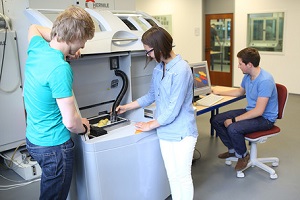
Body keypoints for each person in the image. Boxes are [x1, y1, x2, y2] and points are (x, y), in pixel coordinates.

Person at [116, 26, 198, 200]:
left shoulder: (181, 70)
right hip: (165, 131)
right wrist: (127, 106)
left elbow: (173, 109)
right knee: (172, 176)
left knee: (182, 176)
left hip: (182, 132)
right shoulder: (159, 68)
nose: (148, 55)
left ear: (159, 46)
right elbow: (151, 95)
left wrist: (150, 124)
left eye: (149, 51)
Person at [23, 6, 95, 200]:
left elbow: (34, 28)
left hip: (34, 139)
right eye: (83, 41)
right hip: (54, 148)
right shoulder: (60, 69)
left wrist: (62, 40)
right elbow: (71, 122)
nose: (83, 47)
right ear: (75, 35)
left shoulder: (37, 48)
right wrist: (84, 127)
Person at [210, 47, 278, 171]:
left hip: (265, 118)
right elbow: (240, 91)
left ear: (249, 64)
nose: (238, 66)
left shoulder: (265, 80)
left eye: (240, 63)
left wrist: (234, 120)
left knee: (233, 128)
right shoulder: (248, 75)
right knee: (216, 119)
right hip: (251, 111)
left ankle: (243, 155)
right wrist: (217, 91)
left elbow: (259, 111)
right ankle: (233, 150)